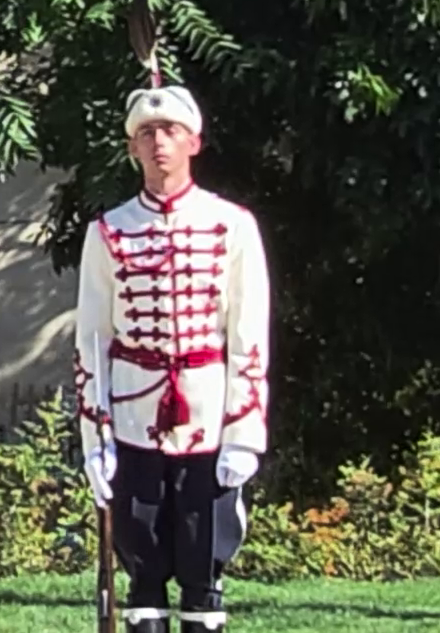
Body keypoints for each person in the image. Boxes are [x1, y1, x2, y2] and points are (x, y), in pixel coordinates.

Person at [73, 86, 270, 633]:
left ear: (195, 142)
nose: (159, 143)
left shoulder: (232, 225)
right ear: (132, 148)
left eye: (170, 132)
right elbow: (92, 339)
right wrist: (96, 439)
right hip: (135, 422)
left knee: (204, 568)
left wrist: (244, 432)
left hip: (208, 421)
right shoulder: (109, 231)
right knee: (143, 568)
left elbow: (249, 333)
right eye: (146, 134)